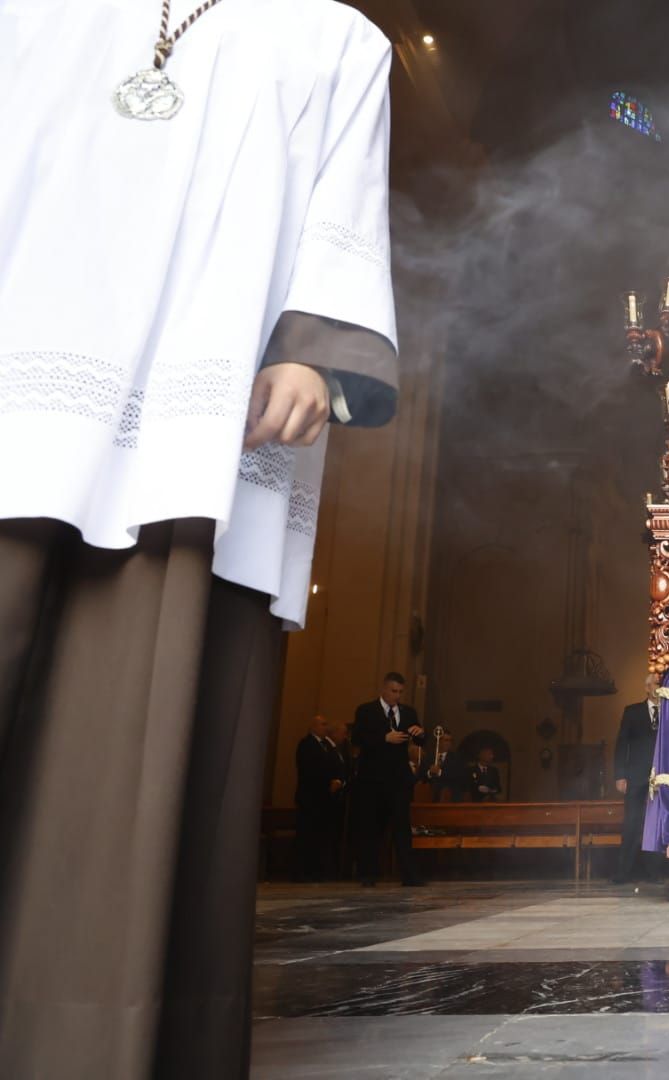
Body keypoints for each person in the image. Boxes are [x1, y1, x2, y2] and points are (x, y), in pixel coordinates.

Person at [0, 3, 397, 1076]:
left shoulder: (335, 38)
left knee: (135, 769)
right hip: (22, 386)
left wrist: (315, 350)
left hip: (197, 428)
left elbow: (343, 214)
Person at [351, 673, 427, 887]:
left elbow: (420, 738)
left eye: (400, 692)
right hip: (373, 779)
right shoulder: (366, 711)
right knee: (372, 827)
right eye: (394, 691)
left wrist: (420, 733)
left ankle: (410, 875)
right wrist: (384, 738)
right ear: (384, 689)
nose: (397, 695)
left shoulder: (408, 712)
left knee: (402, 827)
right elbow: (357, 738)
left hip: (399, 779)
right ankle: (368, 874)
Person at [613, 675, 660, 883]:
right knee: (632, 823)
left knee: (656, 824)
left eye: (661, 684)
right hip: (636, 775)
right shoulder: (632, 712)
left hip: (661, 776)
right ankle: (623, 872)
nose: (659, 688)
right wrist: (620, 774)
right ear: (647, 687)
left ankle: (655, 873)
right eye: (656, 684)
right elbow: (622, 743)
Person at [294, 715, 348, 880]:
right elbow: (309, 769)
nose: (326, 727)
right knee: (307, 836)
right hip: (311, 798)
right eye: (323, 724)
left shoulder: (326, 746)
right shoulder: (306, 744)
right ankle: (304, 872)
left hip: (325, 800)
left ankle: (319, 871)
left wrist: (338, 781)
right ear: (313, 727)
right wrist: (328, 782)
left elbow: (335, 767)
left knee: (321, 837)